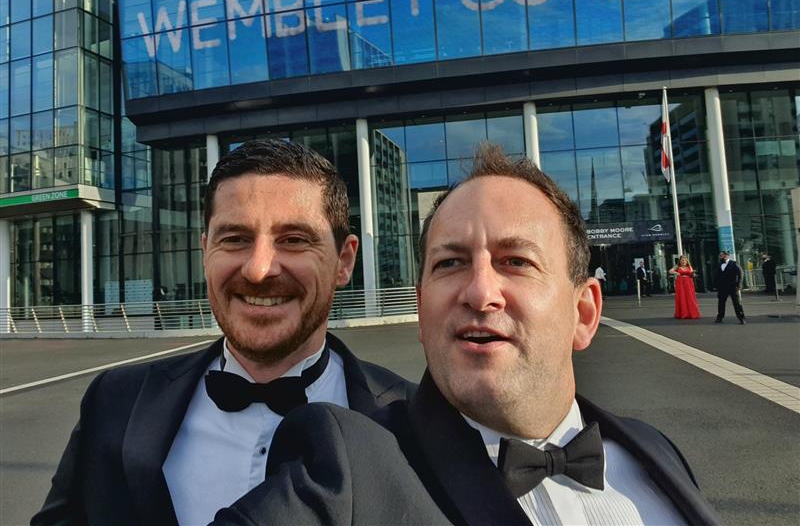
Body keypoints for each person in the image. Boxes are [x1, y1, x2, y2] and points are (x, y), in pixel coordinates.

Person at [215, 145, 721, 526]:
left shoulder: (655, 450)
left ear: (584, 312)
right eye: (451, 263)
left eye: (516, 262)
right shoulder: (343, 465)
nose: (480, 293)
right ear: (421, 309)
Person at [32, 140, 414, 526]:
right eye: (235, 239)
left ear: (344, 261)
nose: (258, 269)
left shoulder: (414, 422)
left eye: (294, 240)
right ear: (205, 253)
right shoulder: (113, 402)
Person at [714, 250, 746, 325]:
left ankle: (741, 318)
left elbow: (741, 274)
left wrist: (739, 285)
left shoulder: (734, 263)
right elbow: (716, 276)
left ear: (726, 256)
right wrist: (716, 286)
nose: (720, 257)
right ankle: (720, 317)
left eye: (721, 256)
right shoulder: (719, 264)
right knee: (721, 303)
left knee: (736, 303)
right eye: (720, 256)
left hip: (733, 286)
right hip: (722, 287)